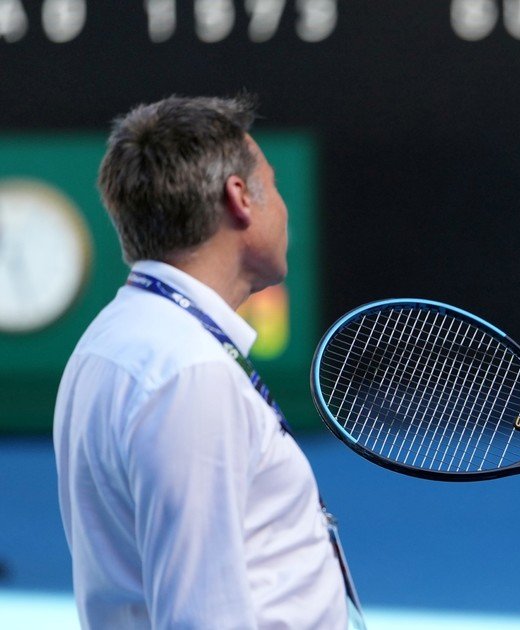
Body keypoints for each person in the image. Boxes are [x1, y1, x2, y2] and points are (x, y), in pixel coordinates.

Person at [53, 95, 361, 628]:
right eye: (274, 185)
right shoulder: (190, 372)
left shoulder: (115, 339)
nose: (285, 208)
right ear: (239, 198)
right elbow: (203, 617)